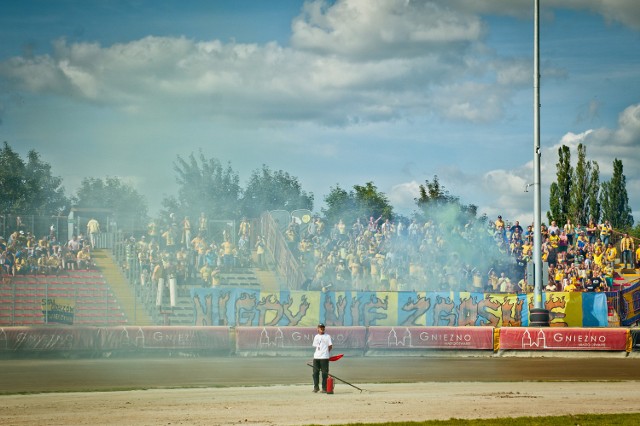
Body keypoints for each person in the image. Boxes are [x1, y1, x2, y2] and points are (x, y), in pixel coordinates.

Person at [312, 323, 333, 393]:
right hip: (316, 357)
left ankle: (324, 388)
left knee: (324, 373)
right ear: (318, 328)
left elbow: (330, 346)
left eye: (323, 327)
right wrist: (317, 354)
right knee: (315, 373)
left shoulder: (327, 336)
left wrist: (326, 353)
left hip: (324, 358)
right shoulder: (316, 337)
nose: (322, 328)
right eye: (320, 327)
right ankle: (316, 387)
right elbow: (316, 346)